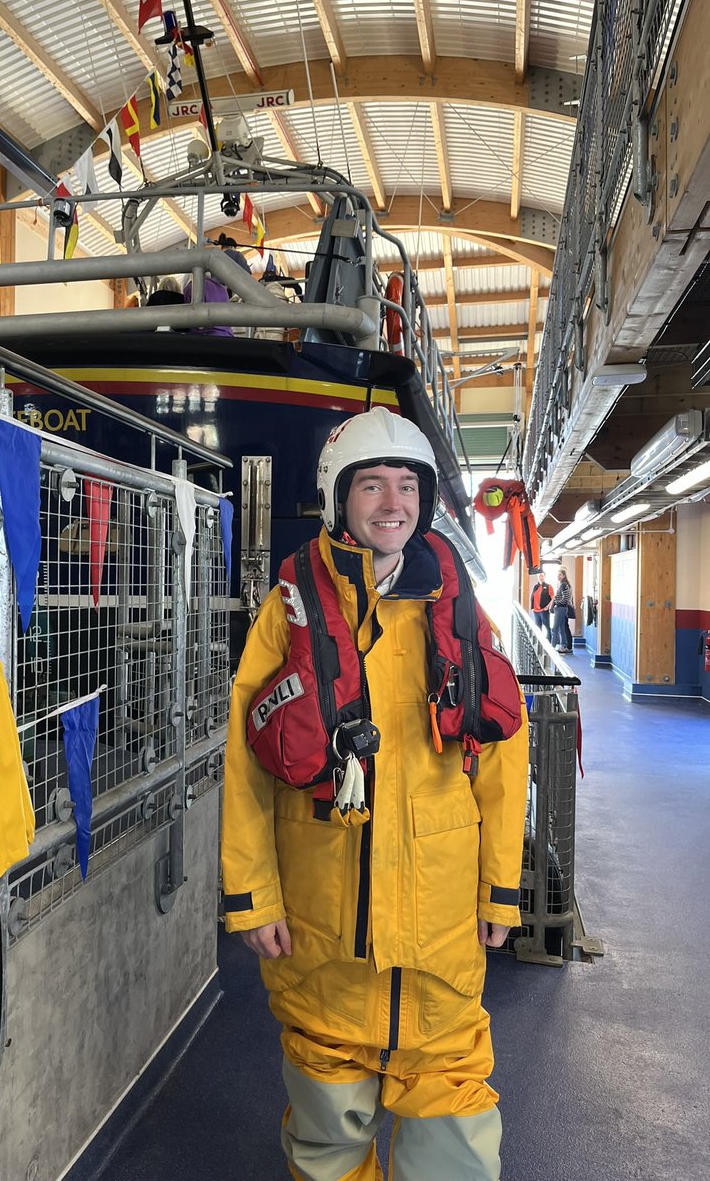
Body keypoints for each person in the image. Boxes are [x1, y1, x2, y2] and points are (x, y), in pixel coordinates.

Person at [221, 407, 529, 1181]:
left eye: (406, 484)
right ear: (337, 498)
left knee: (455, 1133)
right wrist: (254, 899)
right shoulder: (286, 613)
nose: (392, 501)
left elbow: (501, 762)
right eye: (371, 484)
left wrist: (500, 891)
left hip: (441, 934)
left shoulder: (461, 613)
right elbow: (247, 765)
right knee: (327, 1132)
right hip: (323, 935)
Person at [549, 567, 574, 653]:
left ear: (564, 576)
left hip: (561, 608)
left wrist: (557, 602)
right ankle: (563, 645)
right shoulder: (561, 584)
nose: (558, 576)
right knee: (561, 628)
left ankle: (553, 646)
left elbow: (565, 599)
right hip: (561, 608)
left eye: (560, 575)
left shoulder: (564, 585)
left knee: (555, 628)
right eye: (558, 574)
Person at [530, 570, 553, 636]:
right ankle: (539, 645)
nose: (541, 577)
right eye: (539, 576)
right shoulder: (535, 586)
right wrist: (532, 608)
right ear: (537, 577)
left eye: (542, 576)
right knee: (538, 628)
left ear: (544, 577)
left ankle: (549, 642)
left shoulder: (548, 586)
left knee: (547, 627)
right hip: (536, 611)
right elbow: (533, 597)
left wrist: (548, 606)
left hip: (544, 610)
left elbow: (553, 598)